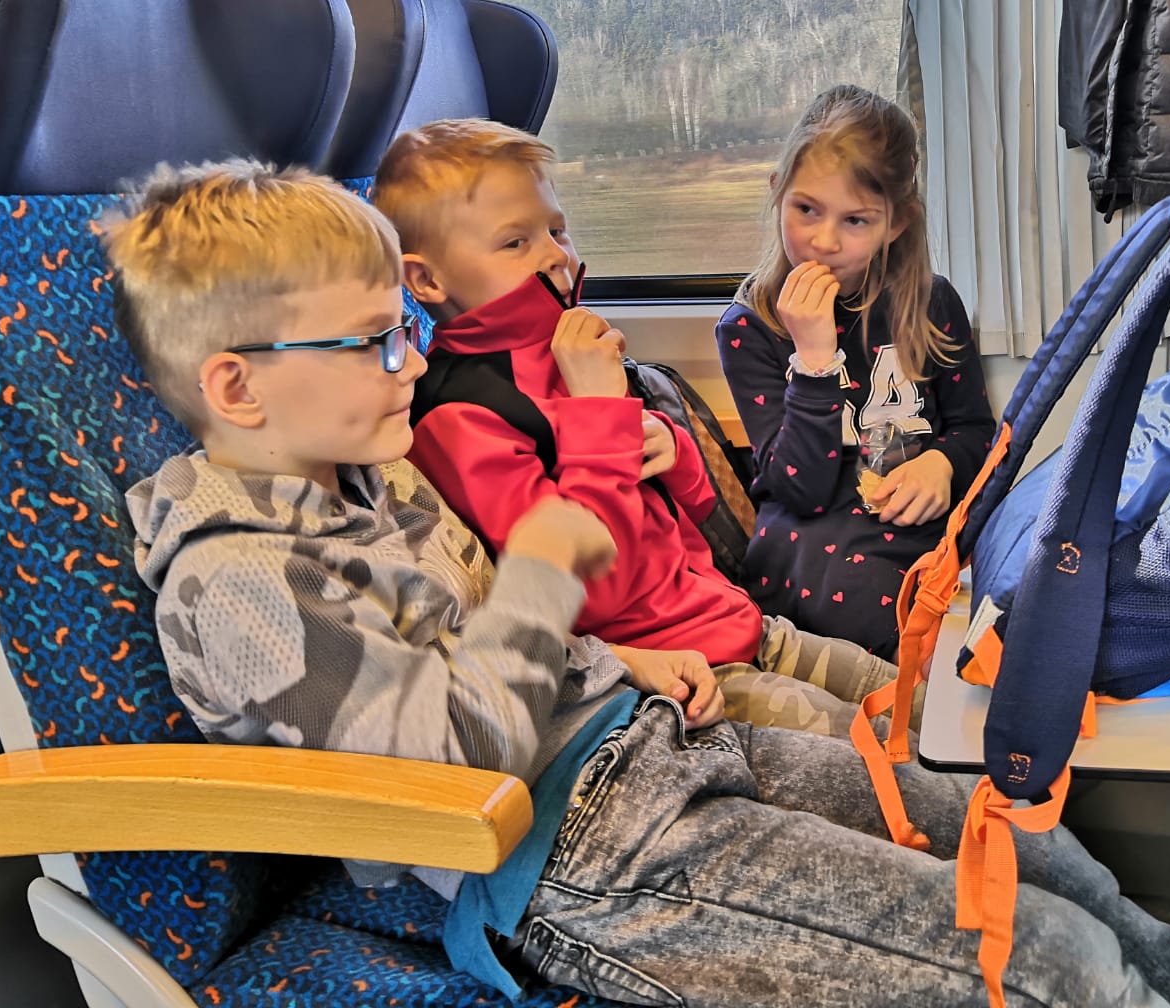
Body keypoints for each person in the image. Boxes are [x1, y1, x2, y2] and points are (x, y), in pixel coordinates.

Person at [109, 161, 1170, 1008]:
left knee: (1017, 842)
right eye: (374, 342)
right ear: (238, 388)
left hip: (645, 735)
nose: (410, 359)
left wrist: (621, 661)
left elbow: (481, 650)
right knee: (1046, 962)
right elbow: (453, 766)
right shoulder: (239, 588)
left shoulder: (373, 475)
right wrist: (541, 574)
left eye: (404, 328)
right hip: (572, 859)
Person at [371, 119, 911, 738]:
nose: (555, 255)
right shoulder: (462, 421)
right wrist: (601, 417)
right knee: (885, 750)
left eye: (557, 230)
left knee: (924, 701)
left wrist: (673, 452)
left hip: (736, 619)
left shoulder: (571, 351)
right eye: (515, 242)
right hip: (682, 669)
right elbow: (590, 591)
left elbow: (699, 513)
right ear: (427, 281)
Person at [717, 85, 996, 658]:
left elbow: (974, 429)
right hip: (812, 528)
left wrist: (941, 464)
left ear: (896, 224)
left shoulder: (931, 303)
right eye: (806, 210)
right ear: (777, 192)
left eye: (855, 220)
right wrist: (814, 361)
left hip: (913, 512)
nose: (824, 241)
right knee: (840, 590)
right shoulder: (750, 328)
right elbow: (798, 488)